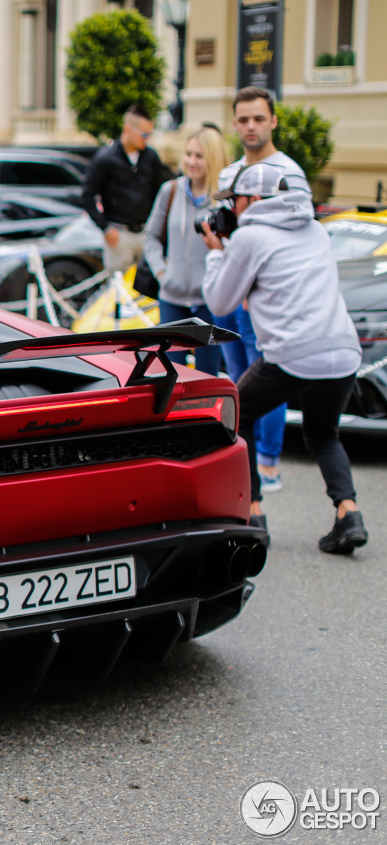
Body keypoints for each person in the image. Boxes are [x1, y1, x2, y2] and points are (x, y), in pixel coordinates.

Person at [201, 164, 366, 554]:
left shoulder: (250, 237)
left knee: (237, 417)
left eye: (235, 201)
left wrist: (215, 255)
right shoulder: (315, 229)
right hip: (342, 349)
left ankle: (253, 514)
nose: (232, 209)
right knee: (324, 434)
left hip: (292, 353)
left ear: (254, 200)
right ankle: (349, 513)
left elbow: (219, 302)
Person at [217, 87, 308, 491]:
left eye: (258, 118)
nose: (250, 126)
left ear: (273, 121)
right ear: (235, 123)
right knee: (239, 377)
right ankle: (245, 457)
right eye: (243, 119)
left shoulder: (289, 171)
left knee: (267, 372)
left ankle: (269, 462)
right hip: (229, 286)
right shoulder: (229, 173)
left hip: (266, 296)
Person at [143, 127, 229, 376]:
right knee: (171, 372)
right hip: (172, 298)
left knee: (208, 373)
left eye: (199, 156)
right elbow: (151, 237)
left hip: (209, 302)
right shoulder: (170, 191)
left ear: (212, 158)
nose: (191, 161)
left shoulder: (223, 200)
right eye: (189, 154)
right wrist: (161, 272)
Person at [81, 104, 169, 275]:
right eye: (144, 134)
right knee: (120, 292)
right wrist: (105, 228)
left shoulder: (151, 157)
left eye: (150, 134)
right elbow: (87, 196)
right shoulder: (105, 158)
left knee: (148, 291)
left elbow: (160, 193)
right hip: (119, 235)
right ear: (128, 129)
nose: (147, 138)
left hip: (146, 233)